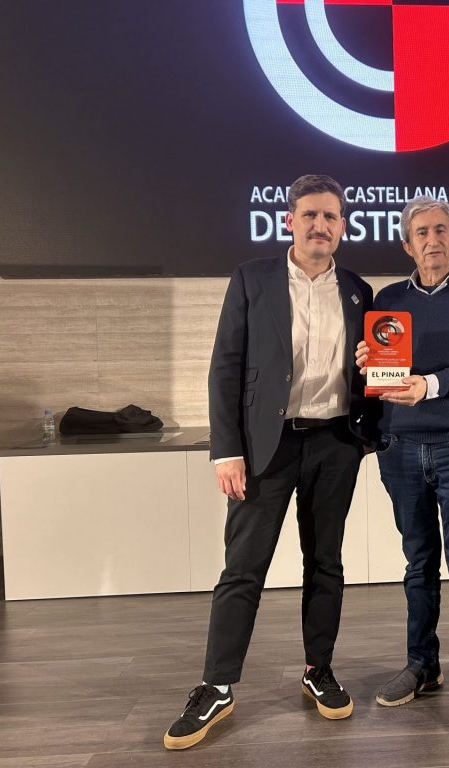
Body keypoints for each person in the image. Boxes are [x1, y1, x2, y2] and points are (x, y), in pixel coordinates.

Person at [164, 175, 374, 749]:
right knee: (243, 568)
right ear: (289, 221)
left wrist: (367, 417)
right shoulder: (252, 279)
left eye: (330, 216)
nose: (320, 225)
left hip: (335, 443)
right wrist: (226, 450)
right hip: (265, 448)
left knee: (325, 564)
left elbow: (372, 372)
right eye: (309, 215)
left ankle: (318, 670)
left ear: (342, 226)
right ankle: (217, 685)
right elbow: (225, 368)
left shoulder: (359, 290)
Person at [355, 196, 449, 734]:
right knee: (418, 567)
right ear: (406, 244)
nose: (433, 240)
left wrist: (430, 385)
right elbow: (381, 375)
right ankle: (422, 665)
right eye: (422, 232)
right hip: (400, 449)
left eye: (441, 229)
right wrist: (365, 363)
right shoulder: (388, 300)